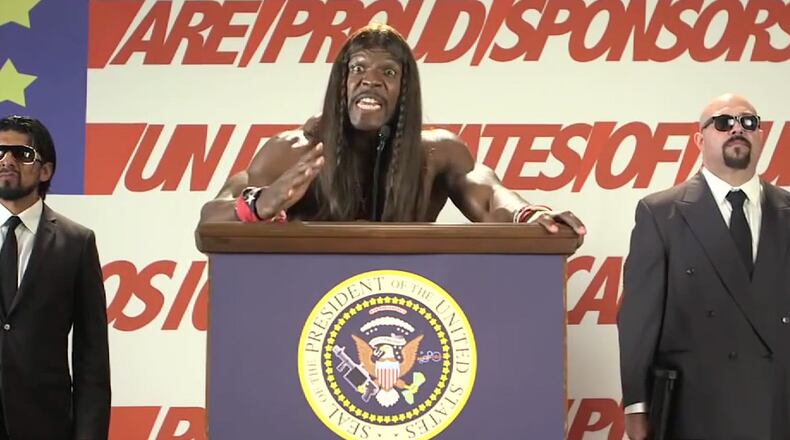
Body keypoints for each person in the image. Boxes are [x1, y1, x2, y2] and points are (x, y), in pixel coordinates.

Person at [198, 23, 586, 239]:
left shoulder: (439, 153)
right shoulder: (292, 151)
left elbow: (490, 196)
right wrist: (258, 204)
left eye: (387, 71)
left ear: (405, 90)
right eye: (358, 68)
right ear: (341, 84)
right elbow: (210, 220)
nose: (370, 80)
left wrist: (528, 214)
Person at [618, 94, 790, 440]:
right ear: (700, 139)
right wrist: (637, 406)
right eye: (724, 122)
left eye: (748, 122)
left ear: (760, 135)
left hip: (779, 406)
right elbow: (638, 320)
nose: (737, 129)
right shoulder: (660, 213)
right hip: (695, 409)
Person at [0, 116, 110, 440]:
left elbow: (92, 361)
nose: (6, 160)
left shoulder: (77, 243)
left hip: (45, 425)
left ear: (45, 171)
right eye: (0, 152)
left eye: (22, 154)